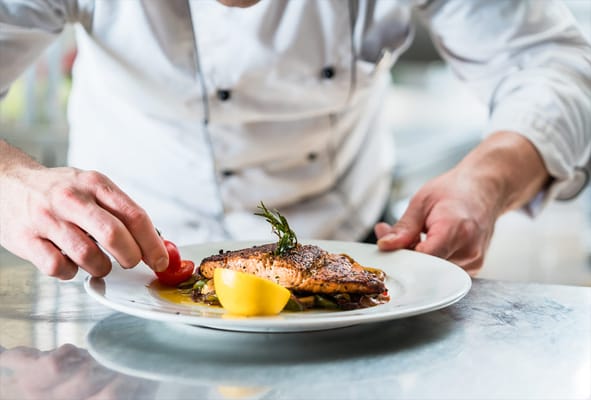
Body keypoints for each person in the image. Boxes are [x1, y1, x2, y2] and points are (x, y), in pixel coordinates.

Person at [0, 0, 589, 279]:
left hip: (353, 259)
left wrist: (486, 181)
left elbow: (549, 62)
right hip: (132, 268)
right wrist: (16, 183)